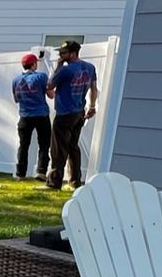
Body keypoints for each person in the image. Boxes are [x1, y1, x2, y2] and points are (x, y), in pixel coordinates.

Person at [45, 40, 98, 190]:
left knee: (58, 149)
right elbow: (94, 88)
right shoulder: (90, 68)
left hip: (64, 113)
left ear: (73, 54)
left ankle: (54, 182)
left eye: (63, 53)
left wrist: (58, 66)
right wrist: (92, 105)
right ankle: (75, 182)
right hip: (79, 112)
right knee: (73, 147)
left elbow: (50, 86)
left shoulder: (65, 70)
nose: (60, 56)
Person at [11, 52, 51, 181]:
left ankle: (20, 174)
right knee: (44, 145)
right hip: (41, 115)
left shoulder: (16, 80)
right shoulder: (41, 76)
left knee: (23, 146)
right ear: (34, 64)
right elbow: (51, 94)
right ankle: (41, 171)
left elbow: (16, 99)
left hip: (25, 115)